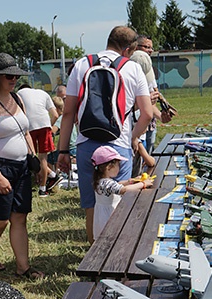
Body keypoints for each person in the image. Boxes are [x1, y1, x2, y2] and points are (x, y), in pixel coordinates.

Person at [57, 26, 152, 245]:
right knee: (119, 201)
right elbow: (146, 114)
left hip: (86, 144)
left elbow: (68, 112)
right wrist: (132, 139)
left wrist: (63, 150)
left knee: (92, 204)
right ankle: (116, 254)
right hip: (117, 145)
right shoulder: (133, 68)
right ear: (129, 49)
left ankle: (93, 254)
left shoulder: (82, 64)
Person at [0, 53, 44, 280]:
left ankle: (23, 267)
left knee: (19, 217)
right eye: (8, 75)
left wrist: (34, 158)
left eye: (16, 75)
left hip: (21, 168)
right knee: (1, 219)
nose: (13, 79)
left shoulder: (18, 99)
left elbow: (25, 132)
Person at [91, 145, 153, 240]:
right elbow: (123, 190)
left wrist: (131, 181)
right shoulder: (106, 183)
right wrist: (143, 184)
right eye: (118, 165)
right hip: (108, 217)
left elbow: (117, 185)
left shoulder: (102, 180)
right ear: (109, 167)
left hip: (103, 214)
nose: (119, 168)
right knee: (109, 238)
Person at [17, 84, 60, 197]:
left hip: (29, 126)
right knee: (43, 158)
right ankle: (43, 188)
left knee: (31, 156)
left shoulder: (19, 94)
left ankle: (50, 176)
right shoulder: (43, 93)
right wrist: (49, 127)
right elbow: (55, 115)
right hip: (45, 124)